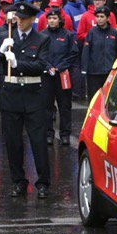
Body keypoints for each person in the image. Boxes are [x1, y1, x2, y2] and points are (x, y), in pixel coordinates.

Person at [0, 1, 52, 199]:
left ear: (33, 19)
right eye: (18, 18)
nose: (20, 22)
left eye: (24, 19)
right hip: (11, 94)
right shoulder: (5, 35)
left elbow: (41, 65)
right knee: (13, 142)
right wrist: (0, 52)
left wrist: (18, 63)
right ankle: (18, 181)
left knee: (38, 141)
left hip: (33, 95)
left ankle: (43, 183)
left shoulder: (41, 39)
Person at [41, 8, 77, 148]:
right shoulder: (42, 35)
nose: (52, 21)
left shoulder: (67, 35)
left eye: (54, 18)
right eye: (49, 18)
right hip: (47, 75)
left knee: (65, 106)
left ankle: (65, 135)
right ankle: (48, 134)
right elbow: (39, 54)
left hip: (63, 75)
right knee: (47, 106)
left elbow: (73, 53)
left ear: (60, 20)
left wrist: (60, 67)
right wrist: (48, 66)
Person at [80, 4, 117, 102]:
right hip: (94, 73)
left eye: (102, 17)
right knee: (94, 99)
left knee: (109, 98)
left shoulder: (114, 33)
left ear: (108, 18)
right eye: (97, 17)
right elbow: (86, 51)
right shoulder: (92, 33)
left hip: (109, 72)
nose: (99, 19)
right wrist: (84, 69)